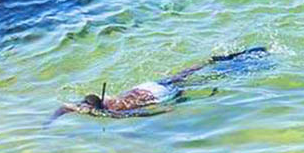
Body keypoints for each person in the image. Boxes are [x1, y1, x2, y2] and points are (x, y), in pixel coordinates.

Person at [50, 47, 267, 120]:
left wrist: (163, 112)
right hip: (146, 86)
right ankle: (215, 60)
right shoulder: (107, 102)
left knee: (202, 82)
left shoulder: (113, 112)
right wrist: (51, 121)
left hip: (156, 96)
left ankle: (239, 66)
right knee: (187, 73)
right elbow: (64, 108)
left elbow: (141, 114)